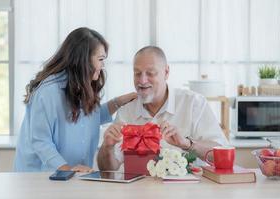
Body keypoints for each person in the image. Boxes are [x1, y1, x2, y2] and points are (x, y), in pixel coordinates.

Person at [14, 27, 137, 172]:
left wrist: (119, 101)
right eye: (100, 59)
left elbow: (89, 117)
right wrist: (68, 170)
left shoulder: (80, 85)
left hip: (72, 177)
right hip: (40, 178)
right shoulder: (48, 92)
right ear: (83, 60)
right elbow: (41, 142)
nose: (103, 65)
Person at [97, 46, 228, 171]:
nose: (142, 80)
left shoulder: (193, 103)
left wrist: (187, 144)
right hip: (135, 192)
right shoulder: (126, 110)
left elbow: (223, 157)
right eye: (137, 73)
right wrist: (107, 147)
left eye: (150, 73)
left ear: (166, 72)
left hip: (185, 192)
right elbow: (107, 169)